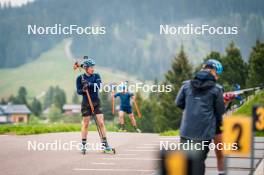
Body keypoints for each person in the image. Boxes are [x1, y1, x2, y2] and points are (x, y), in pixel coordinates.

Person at [175, 59, 225, 175]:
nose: (217, 77)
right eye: (217, 74)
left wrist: (191, 109)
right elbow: (220, 111)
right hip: (204, 133)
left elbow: (178, 103)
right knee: (198, 162)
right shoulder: (217, 89)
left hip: (186, 131)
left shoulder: (186, 85)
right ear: (212, 71)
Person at [76, 57, 112, 153]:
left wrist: (89, 84)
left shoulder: (96, 76)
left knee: (101, 123)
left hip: (96, 102)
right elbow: (78, 91)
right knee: (86, 123)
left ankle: (105, 144)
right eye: (91, 67)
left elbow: (98, 86)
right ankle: (83, 145)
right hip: (86, 104)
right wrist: (83, 89)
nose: (93, 69)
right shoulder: (80, 78)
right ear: (86, 68)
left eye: (93, 67)